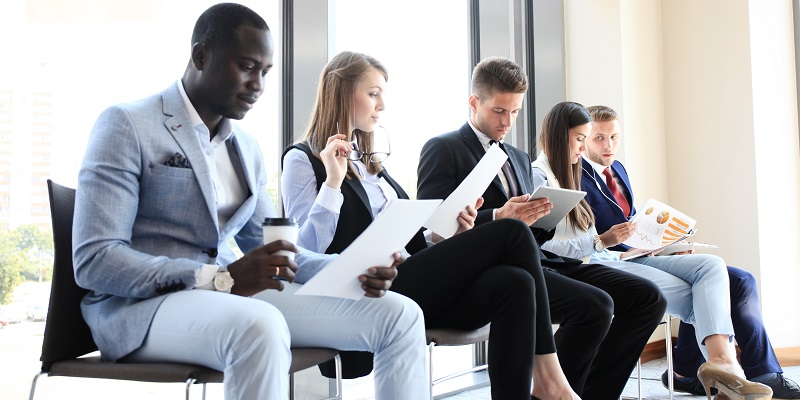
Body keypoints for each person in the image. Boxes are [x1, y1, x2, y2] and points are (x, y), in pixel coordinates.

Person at [72, 5, 428, 399]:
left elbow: (276, 252)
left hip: (233, 297)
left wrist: (351, 269)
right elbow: (95, 260)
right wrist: (219, 279)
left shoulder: (246, 148)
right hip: (140, 309)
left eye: (265, 72)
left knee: (400, 314)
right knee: (260, 325)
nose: (257, 85)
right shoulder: (127, 124)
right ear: (201, 56)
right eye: (246, 67)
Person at [281, 50, 579, 400]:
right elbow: (304, 250)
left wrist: (443, 235)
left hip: (407, 273)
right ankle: (550, 381)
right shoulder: (302, 159)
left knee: (514, 283)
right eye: (373, 94)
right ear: (342, 93)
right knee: (511, 231)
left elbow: (408, 239)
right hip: (367, 285)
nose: (382, 105)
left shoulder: (372, 164)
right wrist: (333, 183)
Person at [417, 56, 667, 400]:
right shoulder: (444, 148)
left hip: (542, 261)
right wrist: (495, 216)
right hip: (493, 271)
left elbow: (532, 232)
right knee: (596, 306)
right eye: (499, 111)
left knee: (648, 298)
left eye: (515, 112)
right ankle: (553, 389)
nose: (507, 121)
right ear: (474, 103)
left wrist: (544, 214)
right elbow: (431, 230)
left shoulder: (518, 157)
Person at [528, 101, 773, 400]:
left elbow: (592, 234)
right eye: (584, 139)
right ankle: (724, 374)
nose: (587, 146)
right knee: (700, 293)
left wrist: (659, 245)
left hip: (616, 255)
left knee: (711, 266)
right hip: (593, 262)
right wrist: (601, 241)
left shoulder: (572, 171)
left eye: (608, 137)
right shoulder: (543, 175)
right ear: (560, 136)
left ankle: (724, 365)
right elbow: (544, 245)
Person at [583, 104, 800, 398]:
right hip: (616, 262)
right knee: (719, 283)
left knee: (739, 279)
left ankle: (689, 370)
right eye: (599, 138)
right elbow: (591, 237)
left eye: (614, 137)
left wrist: (668, 244)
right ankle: (747, 374)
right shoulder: (576, 175)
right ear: (585, 139)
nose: (608, 145)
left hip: (645, 255)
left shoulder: (618, 169)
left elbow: (631, 222)